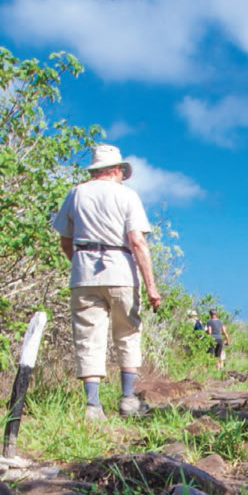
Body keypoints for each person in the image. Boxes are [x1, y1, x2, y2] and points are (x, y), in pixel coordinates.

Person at [50, 144, 163, 419]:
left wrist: (79, 263)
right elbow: (137, 242)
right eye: (122, 171)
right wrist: (151, 286)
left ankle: (93, 406)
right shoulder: (127, 196)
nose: (123, 176)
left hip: (84, 272)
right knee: (127, 333)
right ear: (115, 170)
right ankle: (127, 399)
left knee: (89, 337)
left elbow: (65, 240)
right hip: (121, 269)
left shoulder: (76, 193)